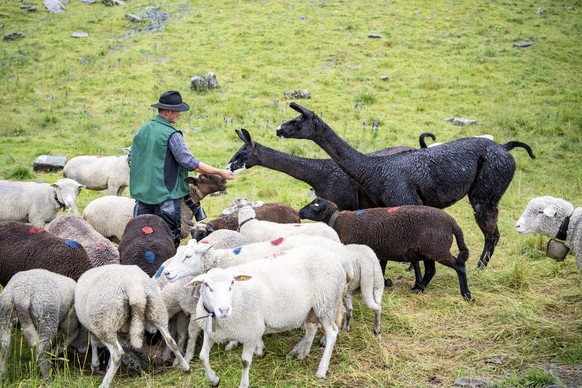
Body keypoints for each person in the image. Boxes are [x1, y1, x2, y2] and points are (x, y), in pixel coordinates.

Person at [129, 90, 235, 248]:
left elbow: (131, 158)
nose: (179, 114)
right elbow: (190, 163)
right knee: (168, 238)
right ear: (168, 111)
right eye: (177, 111)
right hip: (165, 195)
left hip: (142, 195)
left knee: (141, 238)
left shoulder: (142, 129)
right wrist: (219, 172)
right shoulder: (171, 134)